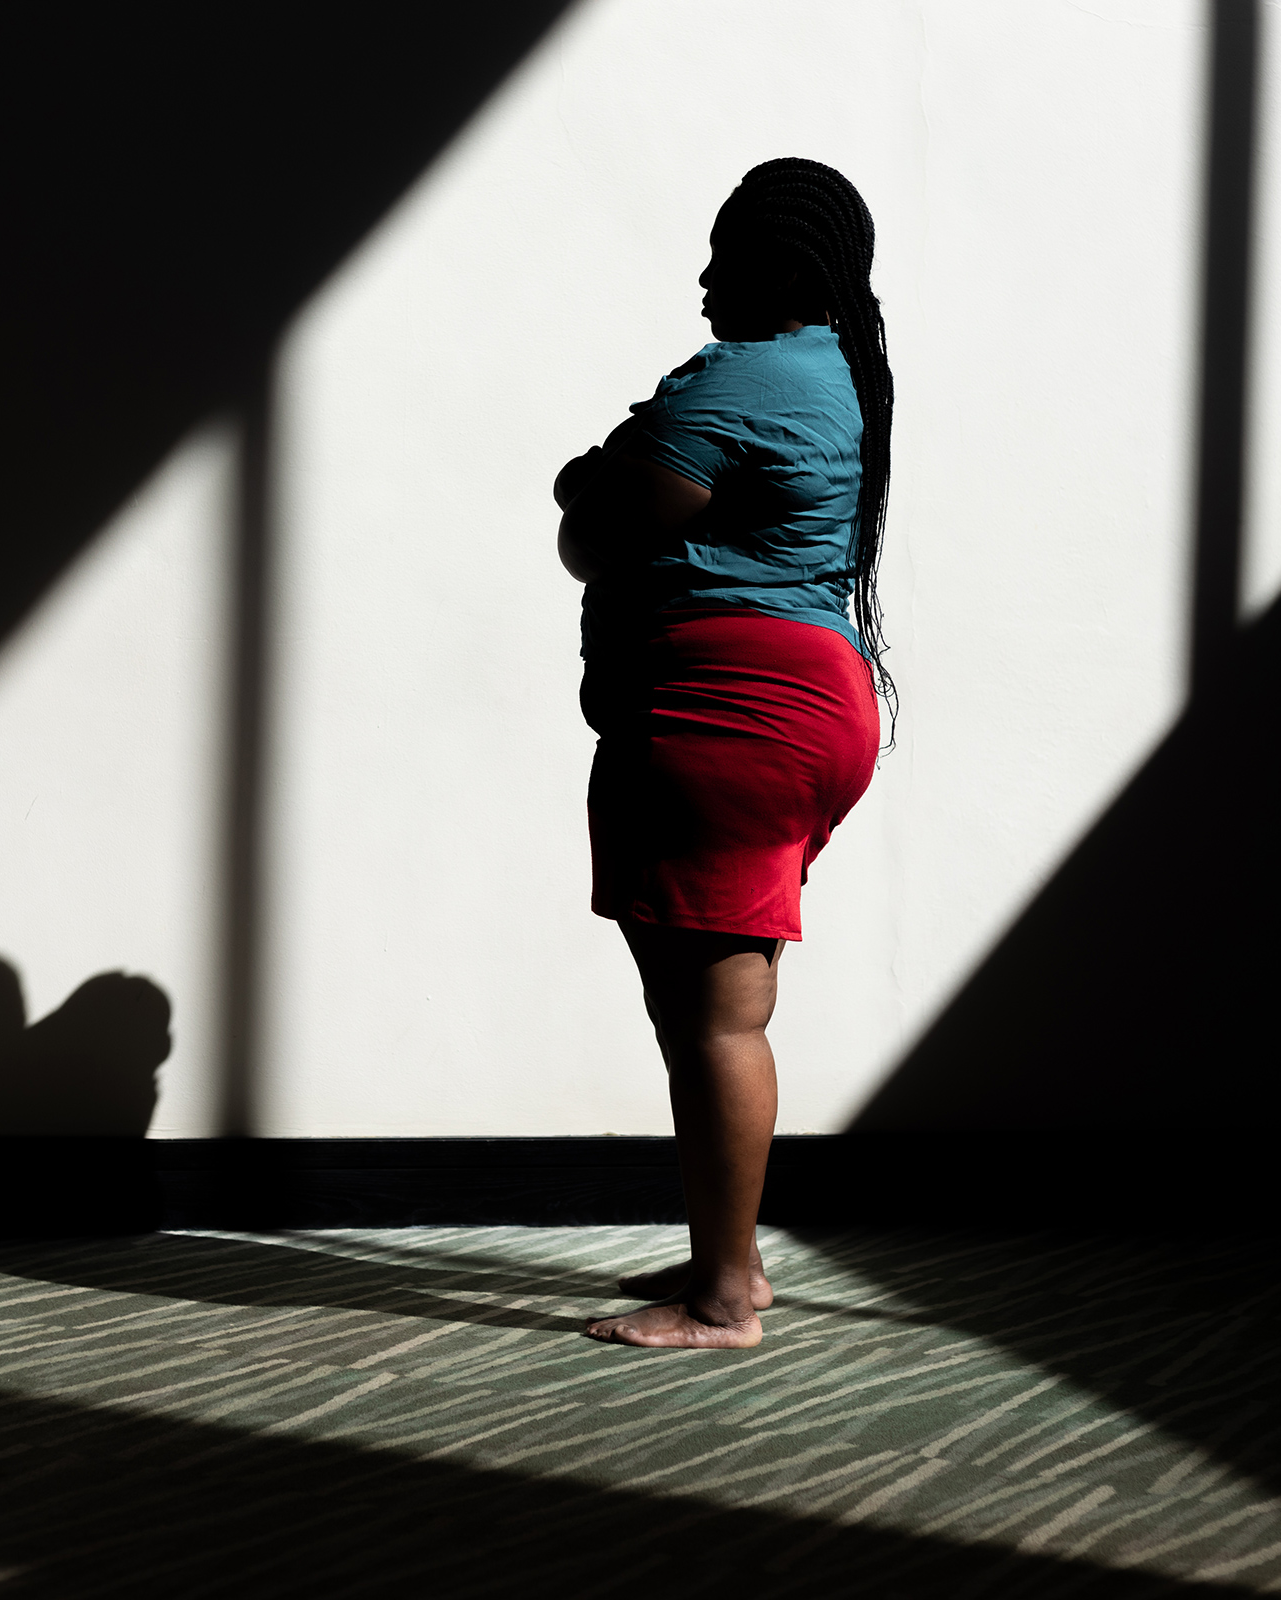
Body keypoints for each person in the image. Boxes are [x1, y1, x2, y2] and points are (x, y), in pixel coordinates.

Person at [554, 158, 894, 1348]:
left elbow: (595, 533)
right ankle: (726, 1253)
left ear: (774, 269)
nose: (702, 278)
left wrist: (593, 475)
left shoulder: (741, 379)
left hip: (732, 711)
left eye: (721, 255)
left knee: (716, 1017)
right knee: (712, 1007)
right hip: (803, 700)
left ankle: (725, 1293)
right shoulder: (836, 375)